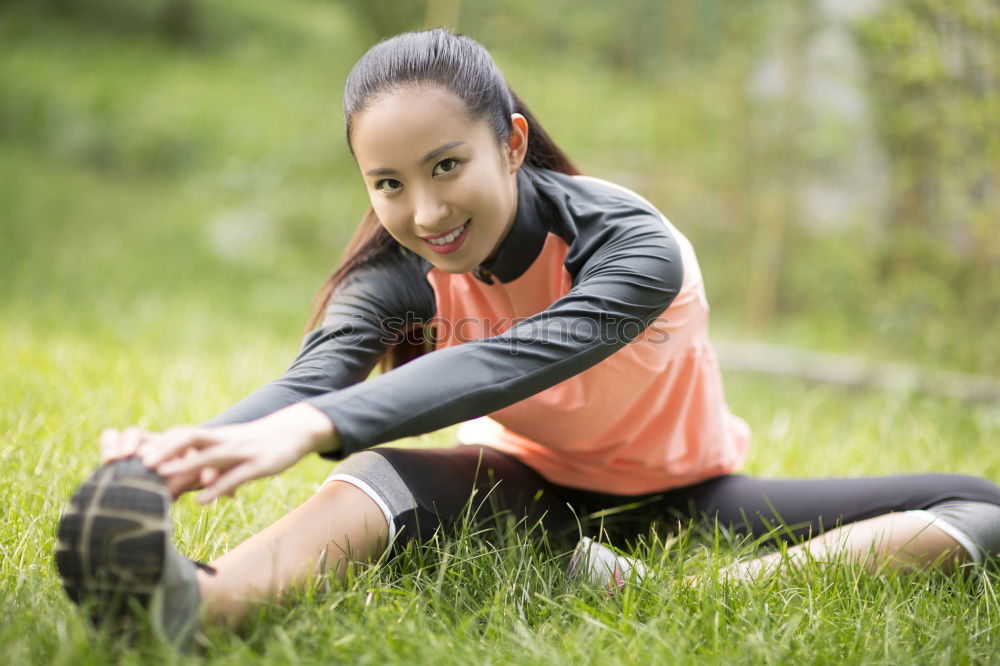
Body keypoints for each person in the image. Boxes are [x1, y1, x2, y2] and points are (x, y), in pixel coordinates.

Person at [55, 27, 1000, 650]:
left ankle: (685, 593)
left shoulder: (631, 247)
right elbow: (316, 376)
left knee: (985, 511)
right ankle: (197, 603)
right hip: (528, 490)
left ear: (510, 142)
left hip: (693, 498)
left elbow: (500, 362)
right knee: (387, 480)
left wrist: (308, 431)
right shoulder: (397, 268)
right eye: (387, 183)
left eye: (446, 166)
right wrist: (192, 446)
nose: (422, 211)